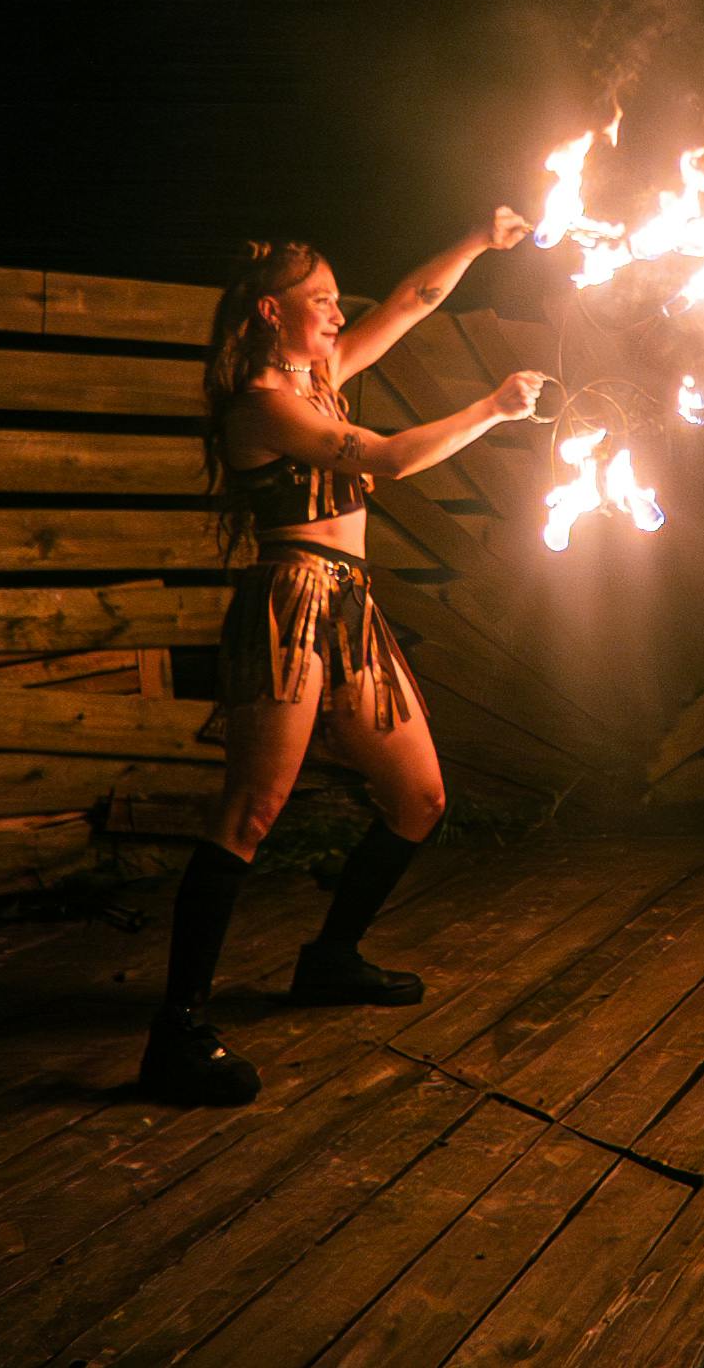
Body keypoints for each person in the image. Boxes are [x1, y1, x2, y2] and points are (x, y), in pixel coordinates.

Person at [141, 211, 545, 1106]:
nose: (335, 312)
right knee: (250, 812)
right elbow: (391, 460)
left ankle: (329, 957)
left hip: (350, 604)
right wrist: (494, 405)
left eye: (332, 300)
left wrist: (480, 235)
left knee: (420, 798)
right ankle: (174, 1031)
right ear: (267, 313)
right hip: (290, 604)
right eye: (318, 301)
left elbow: (411, 299)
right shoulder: (264, 403)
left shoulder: (318, 376)